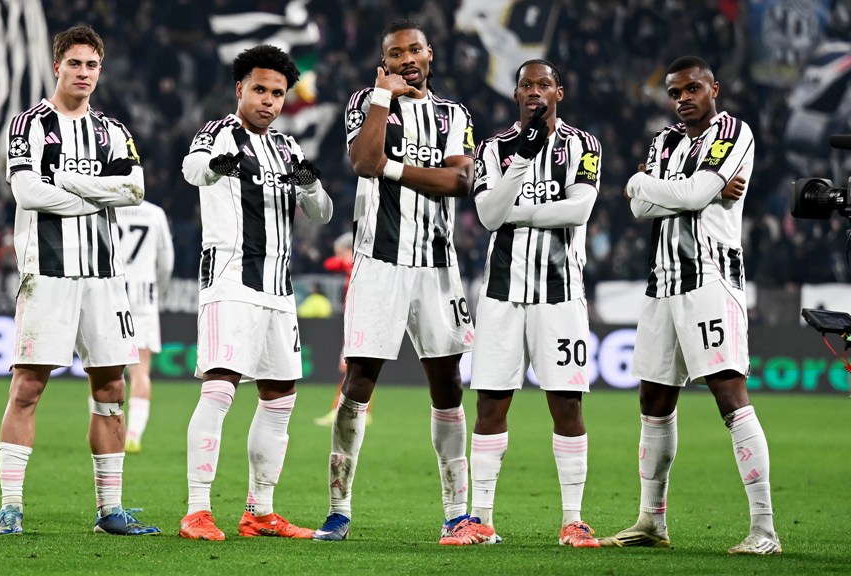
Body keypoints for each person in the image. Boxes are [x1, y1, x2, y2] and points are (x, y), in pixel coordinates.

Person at [599, 56, 781, 555]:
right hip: (662, 283)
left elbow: (694, 194)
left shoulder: (732, 132)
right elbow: (642, 207)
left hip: (710, 279)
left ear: (713, 89)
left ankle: (765, 529)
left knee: (729, 393)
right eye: (675, 92)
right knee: (654, 400)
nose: (683, 99)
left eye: (692, 89)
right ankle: (651, 521)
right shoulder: (663, 141)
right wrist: (679, 191)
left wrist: (646, 183)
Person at [0, 25, 160, 537]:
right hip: (47, 273)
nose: (84, 73)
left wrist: (64, 181)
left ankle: (110, 511)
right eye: (75, 64)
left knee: (111, 386)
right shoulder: (29, 124)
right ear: (57, 66)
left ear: (99, 70)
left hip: (105, 278)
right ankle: (11, 507)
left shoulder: (112, 130)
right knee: (28, 386)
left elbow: (134, 190)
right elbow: (28, 194)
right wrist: (96, 194)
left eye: (92, 65)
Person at [312, 19, 475, 543]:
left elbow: (459, 181)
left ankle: (457, 513)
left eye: (414, 50)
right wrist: (383, 97)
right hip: (379, 262)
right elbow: (364, 160)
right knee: (358, 383)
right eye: (395, 53)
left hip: (437, 267)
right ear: (383, 62)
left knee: (448, 385)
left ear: (430, 54)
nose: (407, 59)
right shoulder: (366, 100)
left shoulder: (454, 115)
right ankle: (338, 510)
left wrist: (394, 169)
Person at [440, 60, 602, 547]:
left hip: (561, 295)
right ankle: (482, 519)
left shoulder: (583, 144)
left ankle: (573, 519)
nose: (535, 91)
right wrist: (524, 158)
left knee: (567, 404)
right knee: (491, 402)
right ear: (515, 94)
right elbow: (489, 215)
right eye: (526, 85)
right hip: (501, 295)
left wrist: (520, 212)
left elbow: (581, 208)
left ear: (559, 93)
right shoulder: (494, 148)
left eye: (544, 84)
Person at [178, 44, 333, 541]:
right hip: (231, 280)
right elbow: (192, 170)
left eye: (278, 93)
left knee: (280, 396)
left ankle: (259, 511)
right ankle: (197, 510)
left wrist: (310, 186)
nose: (268, 101)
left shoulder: (287, 148)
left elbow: (322, 213)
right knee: (220, 388)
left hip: (279, 289)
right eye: (260, 90)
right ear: (239, 89)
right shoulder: (219, 132)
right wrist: (219, 165)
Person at [116, 200, 174, 454]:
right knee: (141, 370)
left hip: (110, 294)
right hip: (143, 297)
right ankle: (133, 435)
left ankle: (106, 430)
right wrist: (157, 292)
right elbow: (166, 261)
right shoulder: (155, 212)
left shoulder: (105, 205)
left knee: (103, 369)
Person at [313, 232, 374, 427]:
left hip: (359, 321)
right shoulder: (354, 266)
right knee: (356, 368)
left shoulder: (360, 263)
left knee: (350, 367)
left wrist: (348, 259)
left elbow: (332, 264)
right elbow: (330, 264)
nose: (338, 256)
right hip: (356, 320)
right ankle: (361, 411)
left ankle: (340, 410)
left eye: (340, 252)